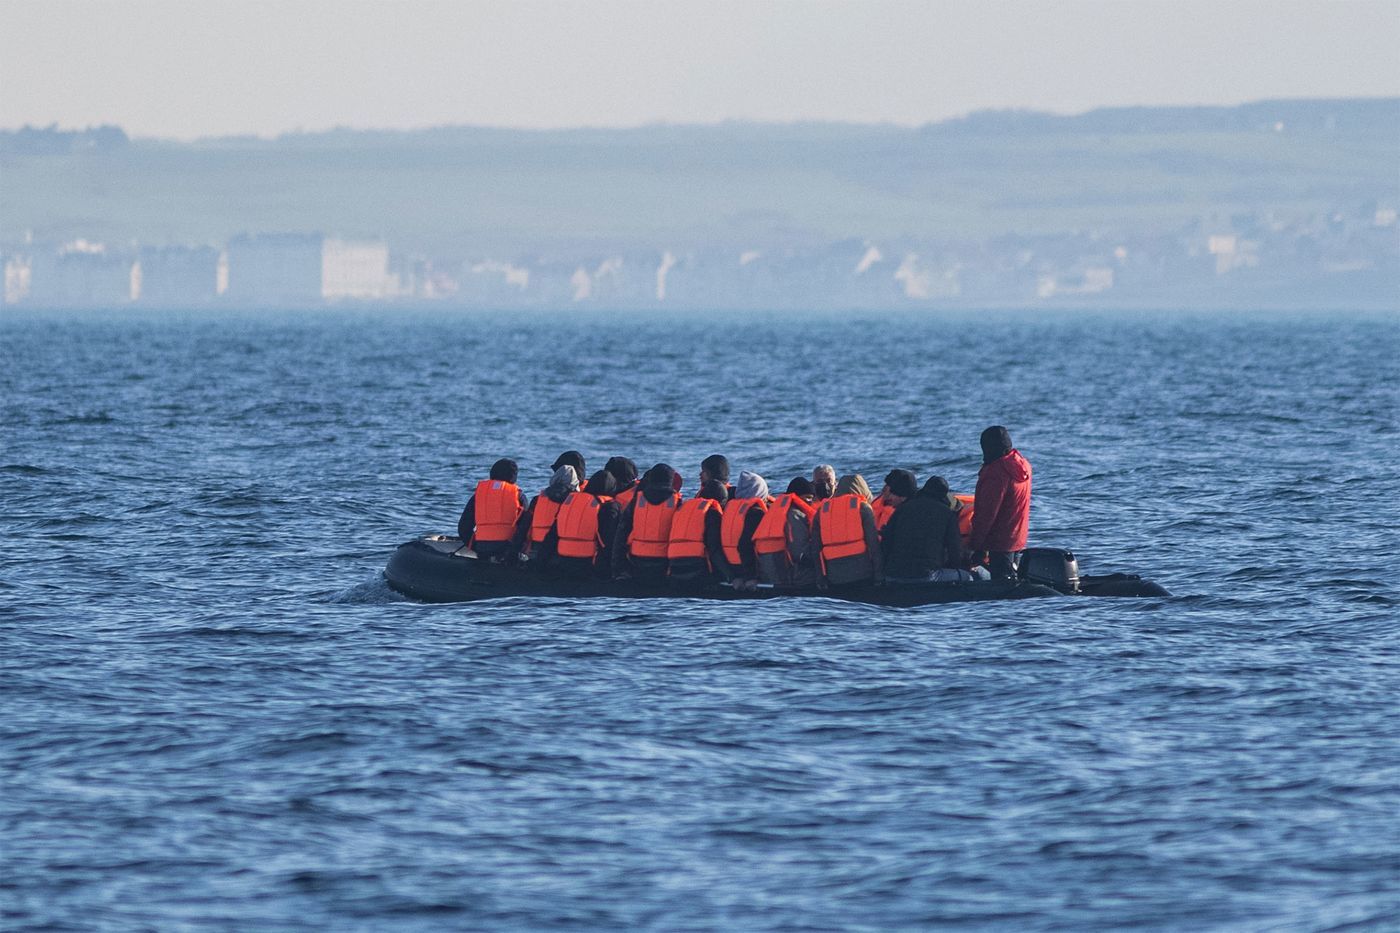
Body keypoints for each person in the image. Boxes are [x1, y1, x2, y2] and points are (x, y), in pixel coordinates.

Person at [881, 475, 973, 583]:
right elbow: (955, 551)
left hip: (892, 576)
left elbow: (886, 542)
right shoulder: (947, 513)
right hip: (926, 576)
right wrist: (959, 567)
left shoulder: (902, 509)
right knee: (968, 577)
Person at [970, 425, 1032, 580]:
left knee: (1003, 587)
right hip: (1018, 537)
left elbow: (987, 514)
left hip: (999, 542)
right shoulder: (1023, 465)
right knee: (1012, 579)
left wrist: (976, 546)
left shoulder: (996, 473)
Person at [537, 469, 620, 579]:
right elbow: (608, 541)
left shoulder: (570, 502)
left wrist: (540, 563)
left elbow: (552, 536)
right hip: (589, 565)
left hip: (562, 561)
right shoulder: (608, 506)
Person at [611, 463, 683, 582]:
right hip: (665, 563)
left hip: (636, 561)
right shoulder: (677, 502)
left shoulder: (637, 500)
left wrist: (618, 569)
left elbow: (622, 533)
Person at [810, 474, 883, 587]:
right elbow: (873, 545)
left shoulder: (822, 511)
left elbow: (816, 549)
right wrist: (879, 576)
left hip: (834, 577)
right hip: (863, 575)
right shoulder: (863, 508)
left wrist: (821, 578)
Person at [457, 458, 528, 561]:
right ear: (513, 477)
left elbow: (463, 527)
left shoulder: (478, 496)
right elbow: (525, 529)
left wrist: (474, 546)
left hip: (482, 549)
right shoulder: (518, 496)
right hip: (508, 552)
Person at [753, 477, 818, 587]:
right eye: (807, 498)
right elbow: (799, 551)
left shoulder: (775, 511)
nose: (810, 502)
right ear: (797, 496)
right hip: (791, 574)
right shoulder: (795, 515)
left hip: (769, 570)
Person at [667, 479, 728, 583]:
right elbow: (714, 549)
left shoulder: (681, 509)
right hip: (697, 571)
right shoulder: (712, 513)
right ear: (721, 501)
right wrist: (731, 576)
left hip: (674, 569)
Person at [514, 464, 580, 560]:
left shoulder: (538, 499)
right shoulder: (574, 502)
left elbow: (524, 526)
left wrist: (514, 551)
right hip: (562, 551)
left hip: (535, 549)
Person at [720, 471, 772, 587]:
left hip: (733, 569)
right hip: (750, 572)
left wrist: (732, 576)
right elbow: (745, 545)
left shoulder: (730, 509)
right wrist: (751, 577)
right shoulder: (755, 513)